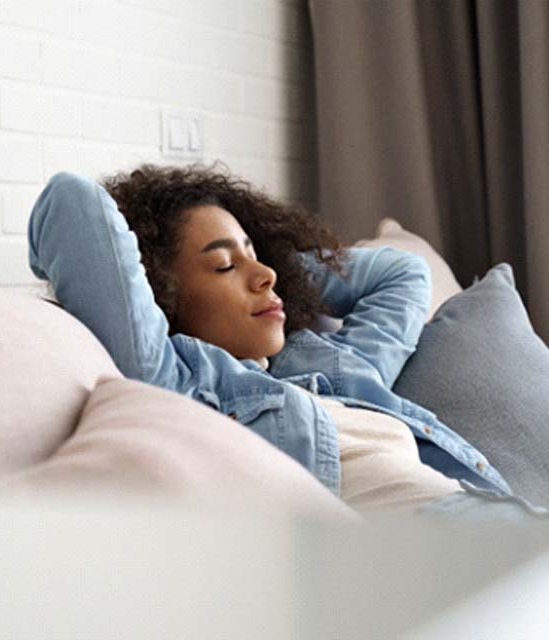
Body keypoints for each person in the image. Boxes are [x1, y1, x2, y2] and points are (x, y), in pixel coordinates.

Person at [28, 164, 547, 523]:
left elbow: (402, 273)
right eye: (223, 265)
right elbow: (73, 202)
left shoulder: (334, 367)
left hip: (499, 517)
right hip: (434, 547)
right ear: (160, 292)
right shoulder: (180, 379)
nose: (265, 276)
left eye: (258, 256)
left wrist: (271, 264)